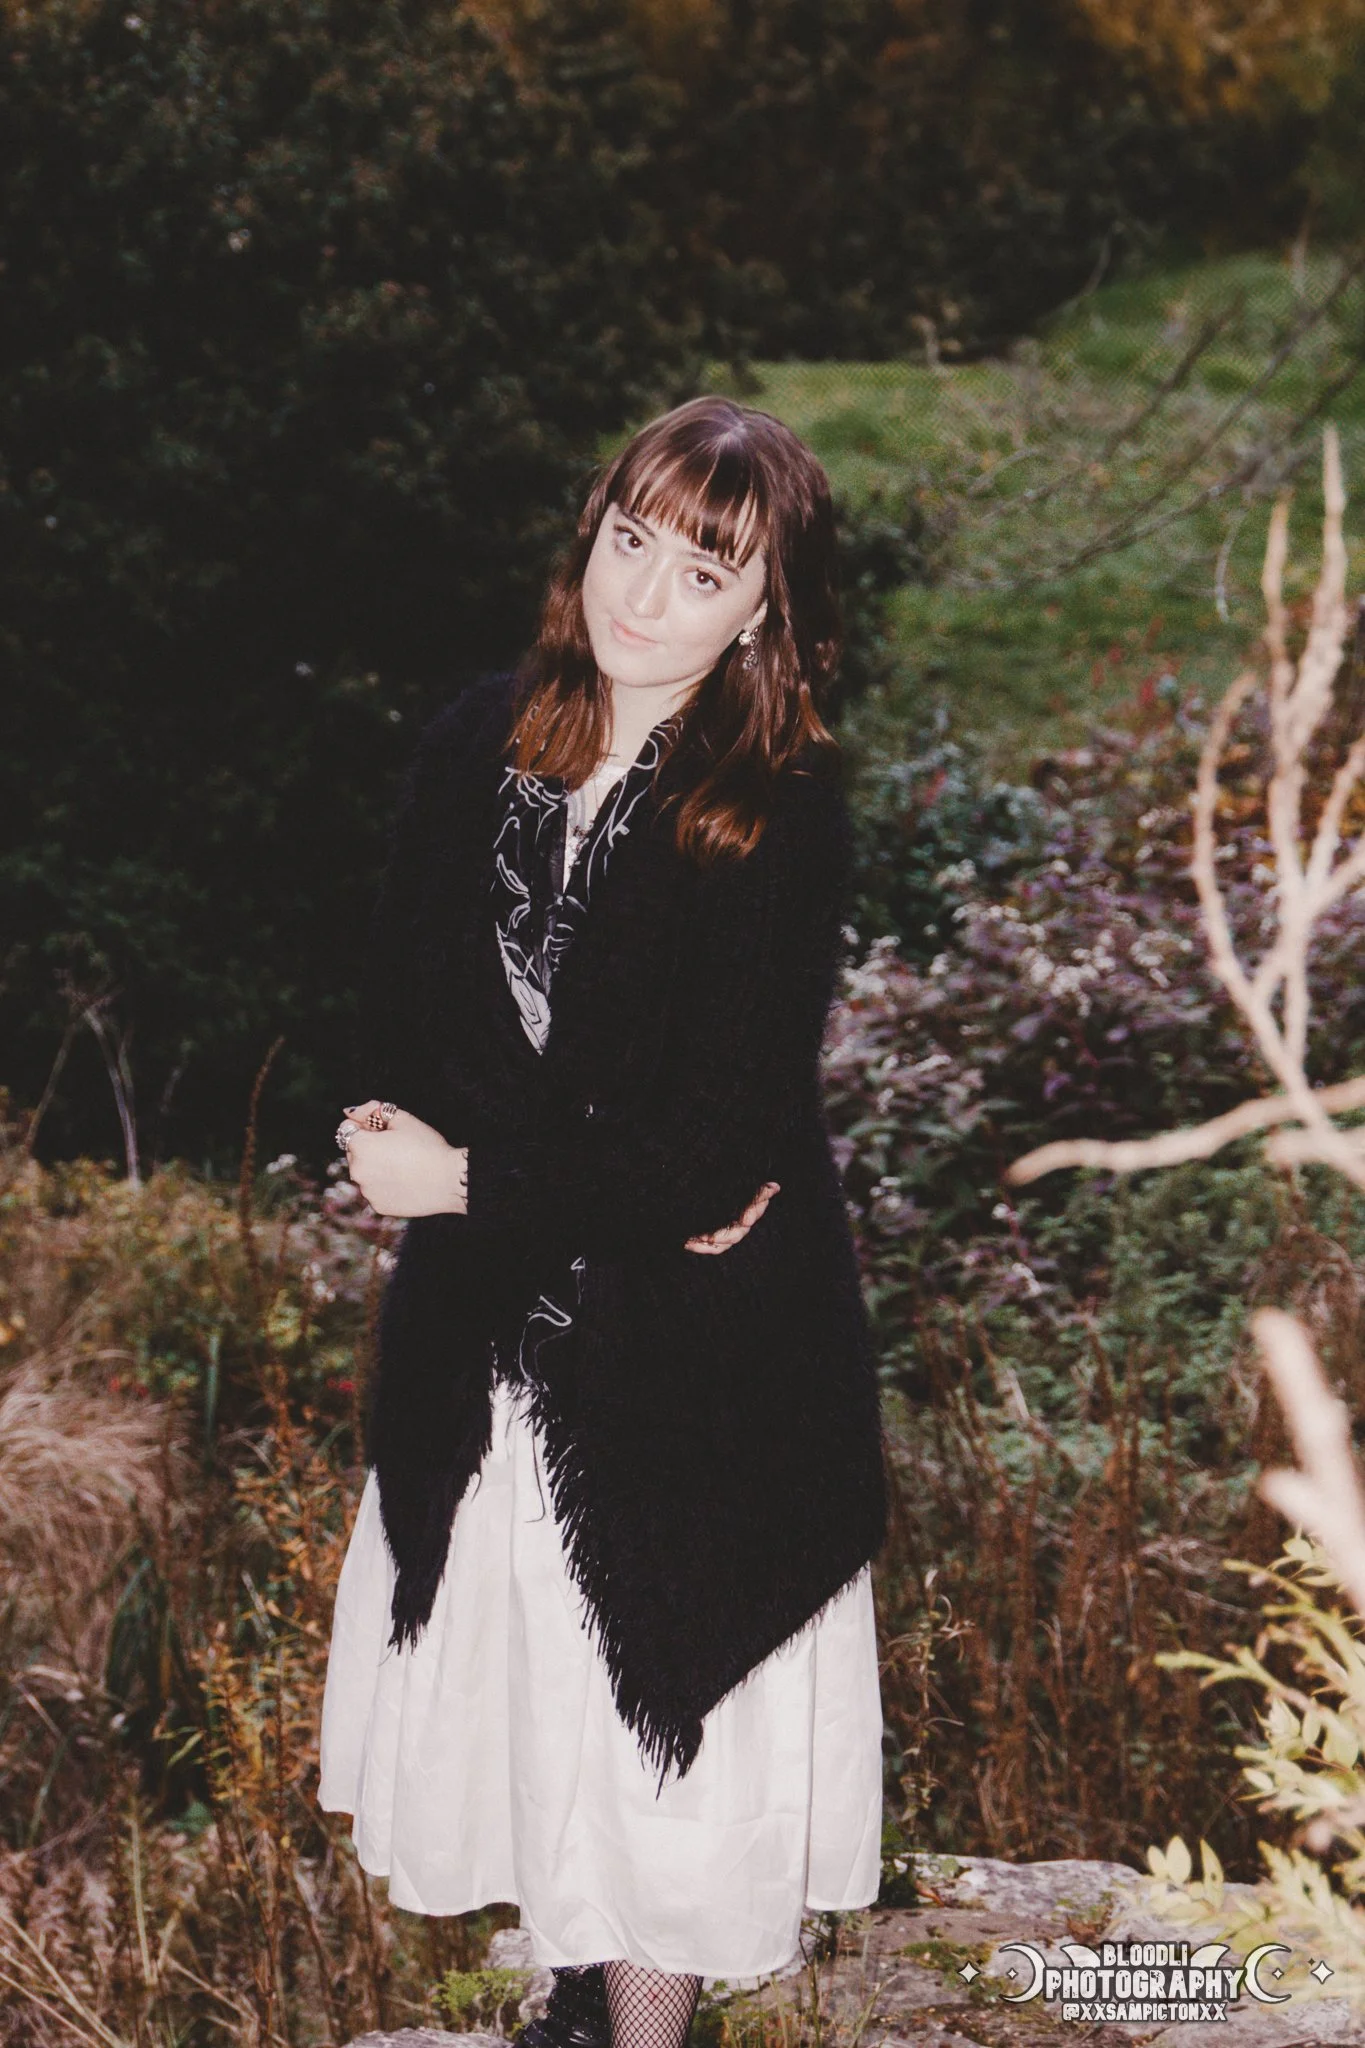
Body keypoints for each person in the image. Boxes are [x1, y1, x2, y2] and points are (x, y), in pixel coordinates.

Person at [318, 396, 888, 2048]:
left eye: (704, 572)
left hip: (700, 1369)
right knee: (536, 1711)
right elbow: (397, 1029)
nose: (645, 596)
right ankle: (576, 2001)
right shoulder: (469, 743)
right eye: (629, 539)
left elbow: (713, 1156)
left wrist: (477, 1181)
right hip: (489, 1346)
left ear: (766, 610)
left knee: (664, 1747)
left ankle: (645, 2028)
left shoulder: (774, 810)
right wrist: (397, 1138)